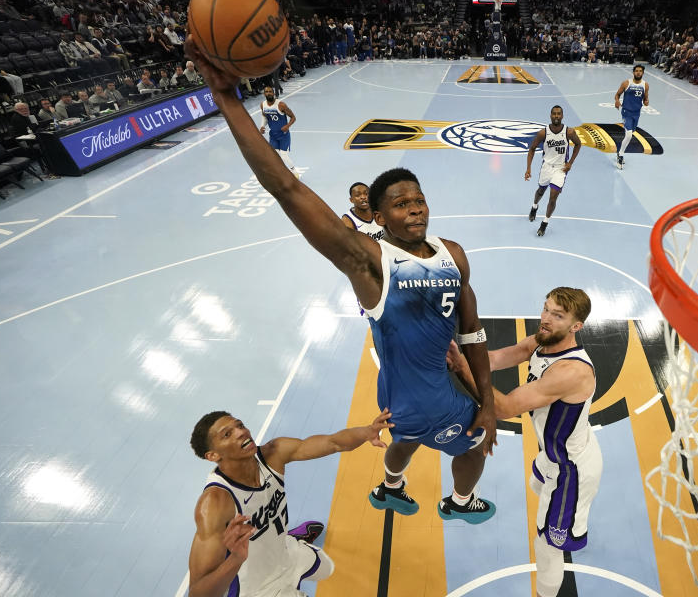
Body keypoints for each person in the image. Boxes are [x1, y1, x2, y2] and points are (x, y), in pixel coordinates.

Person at [185, 36, 498, 524]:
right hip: (429, 398)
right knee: (475, 446)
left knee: (406, 437)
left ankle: (391, 485)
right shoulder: (368, 261)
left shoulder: (452, 254)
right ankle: (460, 502)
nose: (415, 207)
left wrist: (485, 395)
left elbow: (472, 335)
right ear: (378, 215)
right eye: (400, 203)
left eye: (418, 198)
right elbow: (285, 186)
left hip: (399, 391)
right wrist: (225, 97)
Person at [446, 287, 601, 597]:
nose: (545, 319)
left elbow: (502, 408)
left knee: (546, 546)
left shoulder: (570, 372)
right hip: (553, 453)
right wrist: (459, 354)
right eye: (545, 309)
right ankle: (570, 521)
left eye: (557, 316)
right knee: (536, 485)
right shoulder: (542, 341)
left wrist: (461, 368)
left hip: (571, 470)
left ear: (576, 327)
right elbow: (494, 359)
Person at [187, 408, 393, 597]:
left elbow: (333, 442)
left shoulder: (272, 453)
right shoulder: (214, 505)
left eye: (239, 425)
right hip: (258, 587)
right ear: (213, 455)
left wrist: (367, 432)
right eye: (227, 434)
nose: (241, 432)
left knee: (326, 567)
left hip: (284, 552)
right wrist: (235, 559)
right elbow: (198, 593)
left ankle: (290, 536)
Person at [525, 105, 582, 237]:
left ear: (562, 116)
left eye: (559, 114)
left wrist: (570, 162)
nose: (556, 116)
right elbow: (532, 149)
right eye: (554, 114)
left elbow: (578, 144)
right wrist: (528, 168)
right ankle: (534, 207)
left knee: (553, 197)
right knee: (540, 191)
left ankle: (544, 223)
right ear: (550, 115)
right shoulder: (543, 133)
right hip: (546, 167)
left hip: (560, 169)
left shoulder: (569, 132)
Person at [259, 86, 301, 178]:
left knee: (284, 155)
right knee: (275, 155)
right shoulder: (263, 105)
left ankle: (294, 172)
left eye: (270, 91)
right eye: (266, 92)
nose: (268, 93)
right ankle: (282, 173)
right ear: (264, 94)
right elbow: (265, 117)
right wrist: (262, 126)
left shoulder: (281, 105)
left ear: (274, 93)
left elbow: (293, 117)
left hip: (283, 135)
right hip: (273, 135)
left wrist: (287, 126)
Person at [612, 64, 649, 169]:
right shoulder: (626, 83)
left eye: (640, 71)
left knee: (630, 133)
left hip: (636, 113)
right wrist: (617, 101)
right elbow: (617, 94)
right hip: (626, 112)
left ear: (643, 73)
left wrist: (646, 101)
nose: (638, 72)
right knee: (628, 135)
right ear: (633, 72)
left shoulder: (645, 85)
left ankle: (620, 151)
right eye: (636, 71)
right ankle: (621, 155)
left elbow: (645, 98)